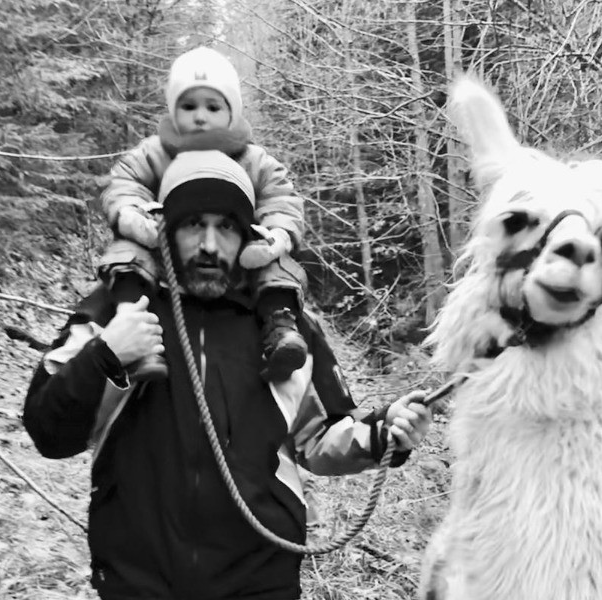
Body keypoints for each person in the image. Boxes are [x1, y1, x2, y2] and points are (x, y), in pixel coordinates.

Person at [24, 150, 433, 600]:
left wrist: (383, 433)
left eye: (226, 227)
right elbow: (48, 431)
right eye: (192, 224)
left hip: (260, 580)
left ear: (247, 236)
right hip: (138, 581)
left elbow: (320, 436)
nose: (209, 245)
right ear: (165, 229)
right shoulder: (117, 308)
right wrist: (105, 355)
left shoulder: (283, 326)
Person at [99, 45, 307, 382]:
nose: (200, 117)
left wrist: (276, 235)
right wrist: (131, 215)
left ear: (231, 113)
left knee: (279, 266)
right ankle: (133, 327)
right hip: (165, 247)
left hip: (239, 254)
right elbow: (124, 182)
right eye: (188, 106)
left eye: (212, 107)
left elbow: (281, 198)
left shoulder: (253, 159)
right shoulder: (155, 152)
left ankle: (280, 325)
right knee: (126, 254)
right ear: (173, 111)